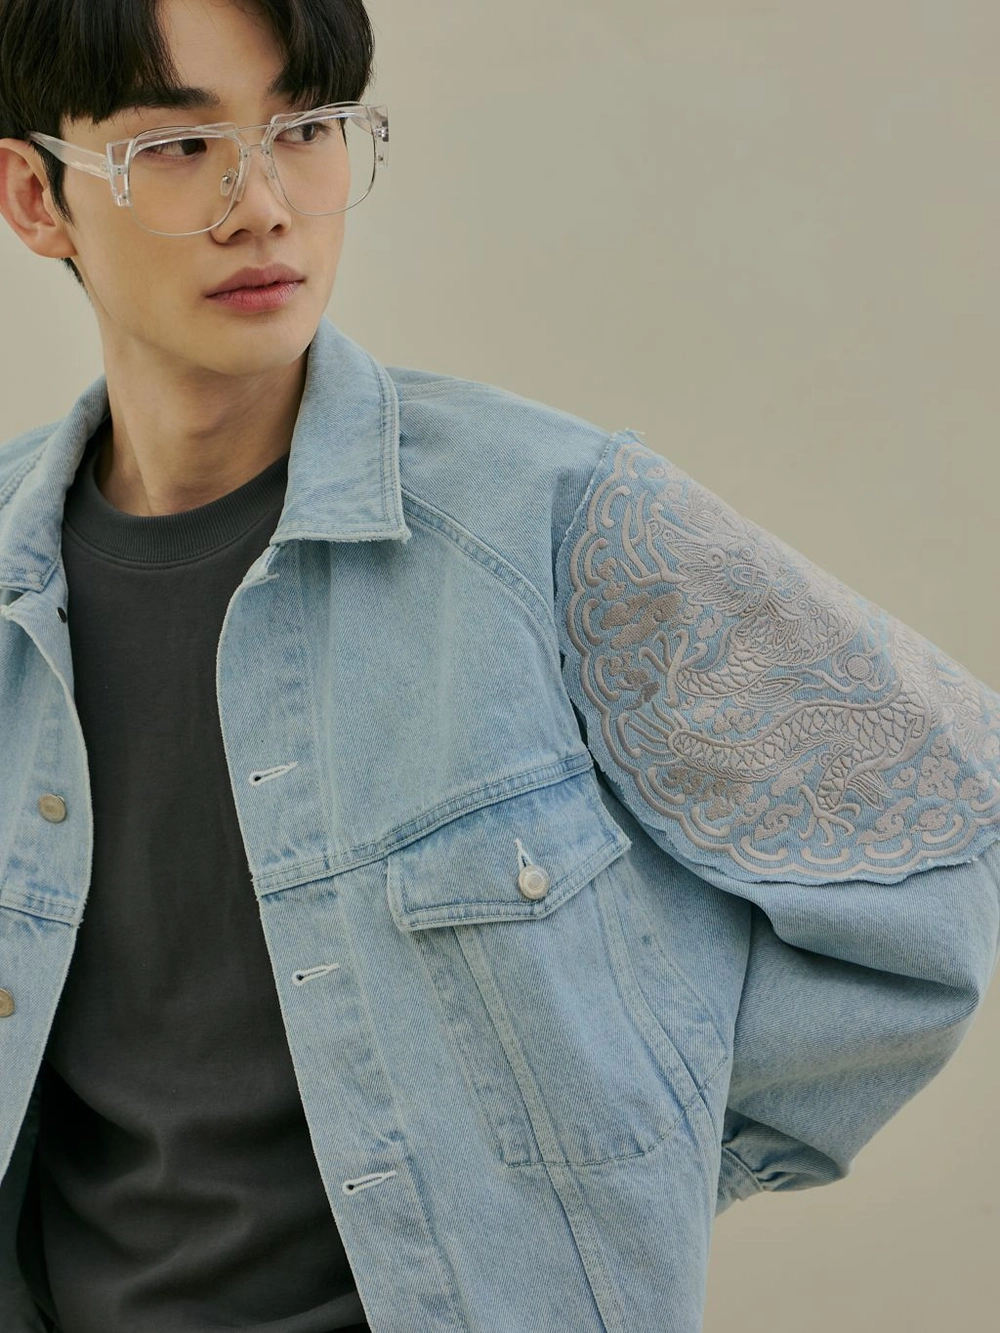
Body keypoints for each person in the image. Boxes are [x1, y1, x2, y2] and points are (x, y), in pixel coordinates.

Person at [0, 1, 997, 1330]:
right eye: (179, 149)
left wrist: (621, 1175)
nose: (264, 207)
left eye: (305, 130)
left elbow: (941, 849)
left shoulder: (548, 515)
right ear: (36, 197)